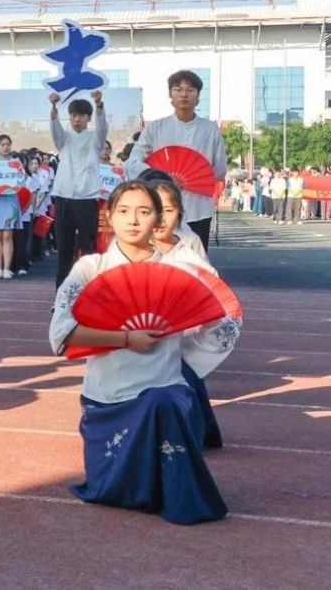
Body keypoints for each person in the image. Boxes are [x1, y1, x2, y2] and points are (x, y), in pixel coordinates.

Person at [49, 181, 234, 524]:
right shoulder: (89, 269)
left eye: (144, 211)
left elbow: (219, 320)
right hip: (107, 395)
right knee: (111, 491)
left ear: (159, 219)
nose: (133, 220)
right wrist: (125, 339)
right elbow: (61, 334)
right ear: (109, 216)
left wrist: (188, 332)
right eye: (123, 211)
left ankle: (181, 497)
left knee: (162, 402)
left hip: (165, 385)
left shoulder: (181, 270)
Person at [147, 177, 227, 450]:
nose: (160, 218)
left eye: (168, 210)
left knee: (184, 379)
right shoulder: (131, 248)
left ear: (180, 212)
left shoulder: (189, 247)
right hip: (138, 340)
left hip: (178, 339)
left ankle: (192, 433)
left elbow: (210, 290)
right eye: (152, 210)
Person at [124, 70, 226, 248]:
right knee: (161, 256)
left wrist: (198, 178)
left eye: (190, 90)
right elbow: (133, 163)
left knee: (196, 258)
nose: (184, 94)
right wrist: (162, 178)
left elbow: (220, 168)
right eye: (178, 90)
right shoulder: (155, 128)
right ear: (170, 96)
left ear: (198, 97)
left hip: (198, 208)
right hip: (161, 207)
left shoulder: (210, 130)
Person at [50, 89, 108, 287]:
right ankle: (61, 294)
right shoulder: (63, 138)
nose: (77, 119)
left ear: (88, 118)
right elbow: (55, 128)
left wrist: (99, 104)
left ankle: (89, 291)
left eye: (82, 116)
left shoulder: (95, 138)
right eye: (74, 115)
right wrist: (53, 107)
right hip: (63, 197)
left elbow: (102, 127)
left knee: (88, 249)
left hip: (87, 199)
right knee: (64, 250)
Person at [0, 135, 25, 278]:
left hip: (10, 200)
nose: (6, 147)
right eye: (2, 145)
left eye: (8, 144)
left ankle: (7, 269)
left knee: (7, 235)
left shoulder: (16, 163)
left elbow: (22, 180)